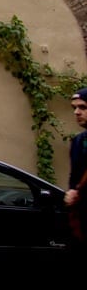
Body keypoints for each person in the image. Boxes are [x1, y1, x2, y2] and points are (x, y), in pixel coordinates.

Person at [65, 88, 87, 241]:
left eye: (83, 107)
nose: (76, 112)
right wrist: (72, 191)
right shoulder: (78, 141)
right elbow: (74, 177)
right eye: (74, 108)